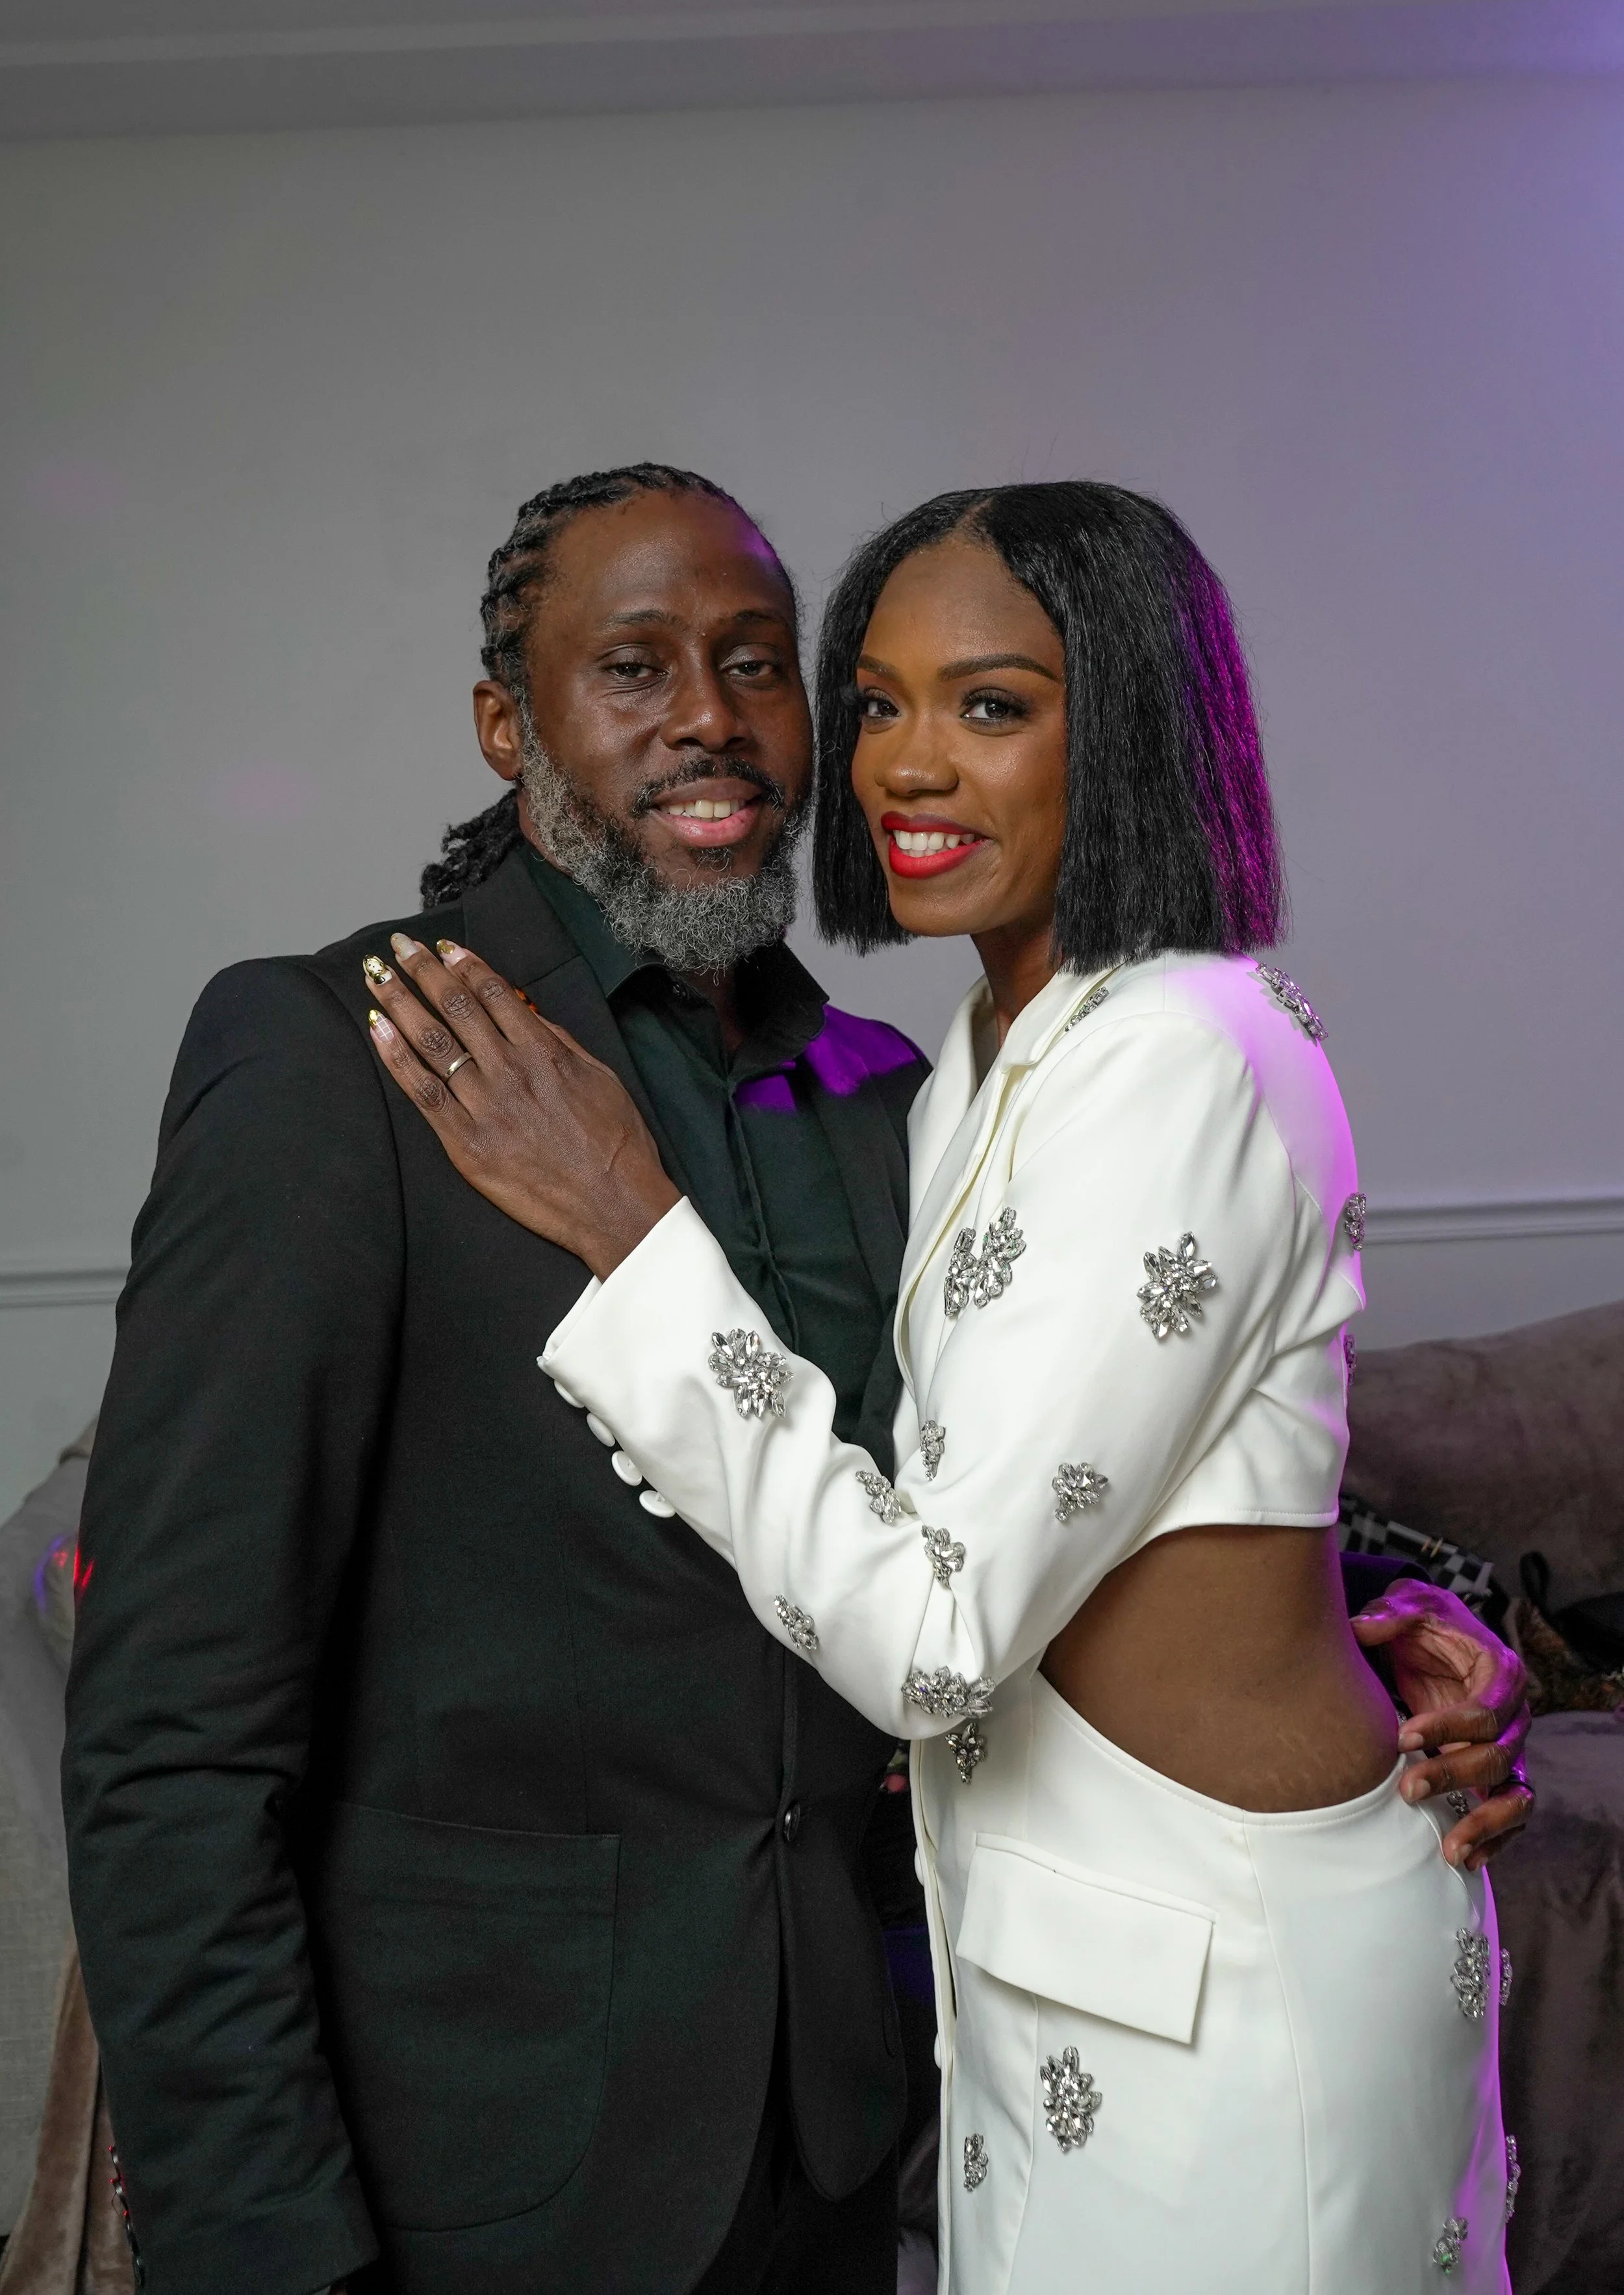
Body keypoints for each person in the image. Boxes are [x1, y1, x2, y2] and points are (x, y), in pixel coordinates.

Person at [64, 464, 1527, 2295]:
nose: (708, 714)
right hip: (478, 2168)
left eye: (758, 663)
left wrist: (1359, 1623)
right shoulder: (342, 1057)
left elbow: (1032, 1486)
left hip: (840, 2135)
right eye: (633, 664)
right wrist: (263, 2254)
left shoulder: (897, 1094)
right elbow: (171, 1739)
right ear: (506, 724)